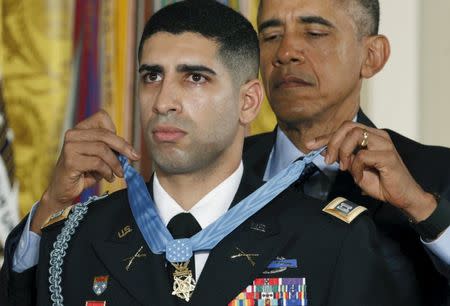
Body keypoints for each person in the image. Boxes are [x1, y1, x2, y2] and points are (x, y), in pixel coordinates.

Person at [0, 1, 403, 306]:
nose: (164, 101)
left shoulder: (328, 238)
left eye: (195, 78)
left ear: (247, 102)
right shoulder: (74, 237)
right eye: (152, 76)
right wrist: (50, 206)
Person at [243, 0, 450, 305]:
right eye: (271, 36)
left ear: (371, 56)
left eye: (314, 33)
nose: (285, 53)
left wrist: (422, 209)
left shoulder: (434, 175)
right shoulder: (214, 171)